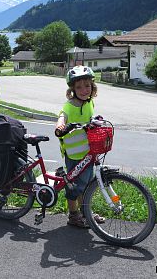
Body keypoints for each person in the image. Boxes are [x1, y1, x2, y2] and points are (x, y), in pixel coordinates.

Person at [55, 65, 105, 228]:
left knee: (86, 184)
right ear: (72, 90)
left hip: (88, 151)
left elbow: (90, 117)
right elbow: (62, 116)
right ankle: (73, 215)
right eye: (79, 87)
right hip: (73, 154)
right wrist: (60, 126)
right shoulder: (69, 106)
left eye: (87, 86)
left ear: (92, 87)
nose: (84, 90)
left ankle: (86, 212)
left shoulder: (89, 103)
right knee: (73, 186)